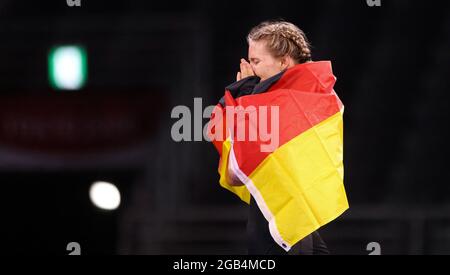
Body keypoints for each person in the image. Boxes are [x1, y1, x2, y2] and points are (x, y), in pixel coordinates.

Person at [210, 20, 346, 255]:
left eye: (256, 61)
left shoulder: (278, 109)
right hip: (299, 224)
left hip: (277, 231)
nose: (250, 70)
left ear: (283, 62)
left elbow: (235, 173)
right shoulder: (320, 95)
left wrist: (246, 100)